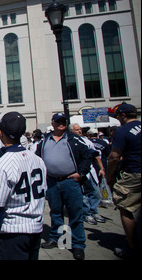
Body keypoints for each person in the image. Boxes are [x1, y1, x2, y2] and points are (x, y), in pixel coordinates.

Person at [0, 112, 47, 260]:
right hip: (36, 228)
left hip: (13, 231)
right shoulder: (38, 160)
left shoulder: (1, 164)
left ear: (0, 133)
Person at [36, 113, 92, 260]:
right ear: (52, 123)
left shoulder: (74, 139)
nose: (61, 123)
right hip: (52, 181)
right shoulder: (45, 140)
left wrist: (81, 173)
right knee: (55, 212)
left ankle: (78, 244)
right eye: (58, 121)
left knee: (75, 214)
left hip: (70, 181)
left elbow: (88, 156)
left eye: (63, 121)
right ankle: (58, 238)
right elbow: (37, 158)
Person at [107, 103, 141, 259]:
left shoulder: (123, 131)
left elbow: (114, 157)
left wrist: (110, 175)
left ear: (122, 116)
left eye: (118, 117)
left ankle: (132, 246)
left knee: (125, 206)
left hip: (134, 173)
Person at [69, 124, 106, 225]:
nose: (79, 131)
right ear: (71, 131)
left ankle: (94, 211)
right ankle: (87, 214)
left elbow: (96, 156)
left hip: (90, 171)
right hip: (79, 172)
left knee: (96, 192)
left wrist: (101, 168)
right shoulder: (69, 141)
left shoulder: (87, 141)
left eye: (80, 129)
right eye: (77, 130)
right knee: (84, 195)